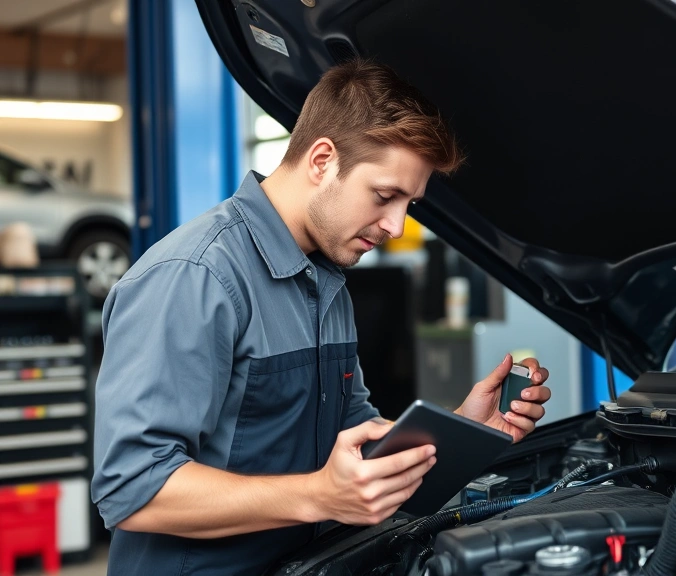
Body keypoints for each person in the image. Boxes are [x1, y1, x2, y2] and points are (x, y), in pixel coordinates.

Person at [91, 59, 552, 575]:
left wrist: (460, 431)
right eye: (385, 196)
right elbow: (132, 488)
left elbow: (355, 437)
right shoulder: (195, 277)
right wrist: (318, 496)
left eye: (409, 204)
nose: (397, 226)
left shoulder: (326, 279)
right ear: (322, 160)